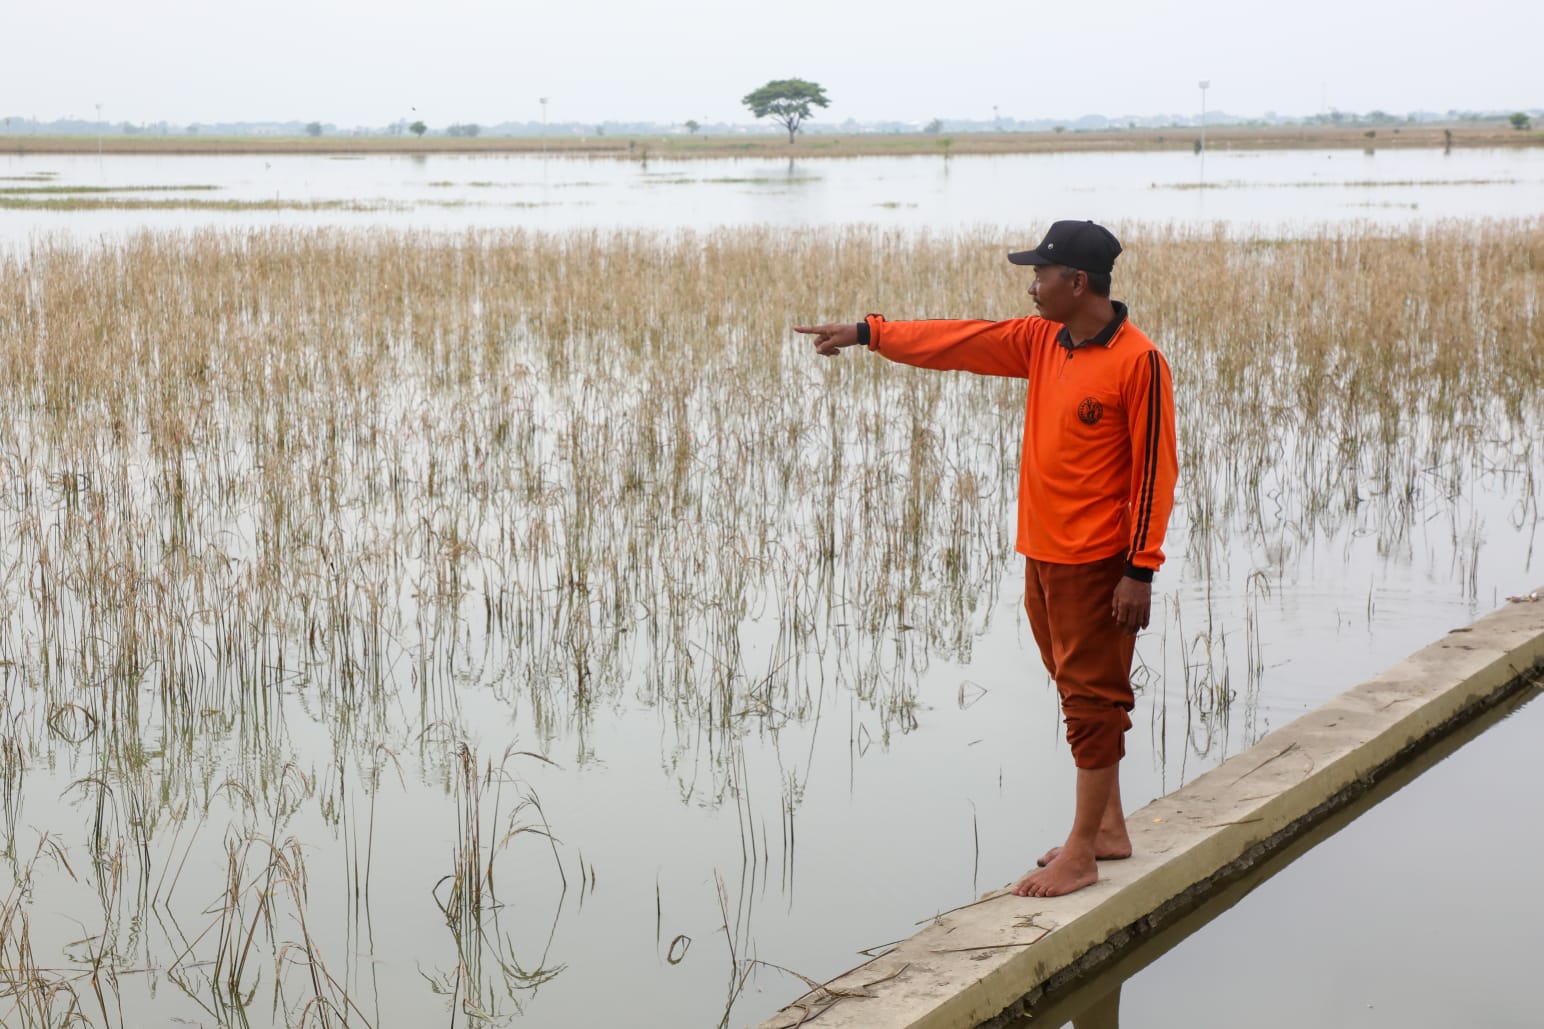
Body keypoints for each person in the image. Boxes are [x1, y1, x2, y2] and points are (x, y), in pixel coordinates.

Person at [796, 220, 1176, 898]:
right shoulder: (1041, 341)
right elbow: (959, 340)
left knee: (1093, 702)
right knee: (1074, 691)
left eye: (1040, 275)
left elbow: (1155, 472)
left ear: (1076, 283)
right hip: (1042, 554)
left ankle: (1084, 852)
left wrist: (1139, 569)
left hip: (1097, 562)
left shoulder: (1137, 361)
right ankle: (1109, 827)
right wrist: (866, 332)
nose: (1032, 288)